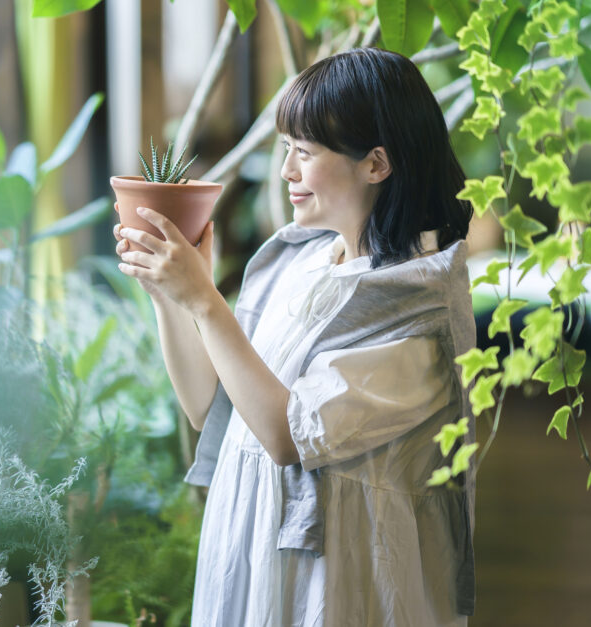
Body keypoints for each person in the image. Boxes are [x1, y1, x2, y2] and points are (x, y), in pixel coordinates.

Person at [114, 48, 476, 626]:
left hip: (339, 582)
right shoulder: (298, 264)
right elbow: (211, 408)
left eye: (303, 154)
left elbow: (287, 436)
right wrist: (172, 295)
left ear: (375, 164)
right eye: (286, 151)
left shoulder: (415, 310)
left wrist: (205, 301)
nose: (286, 172)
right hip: (250, 549)